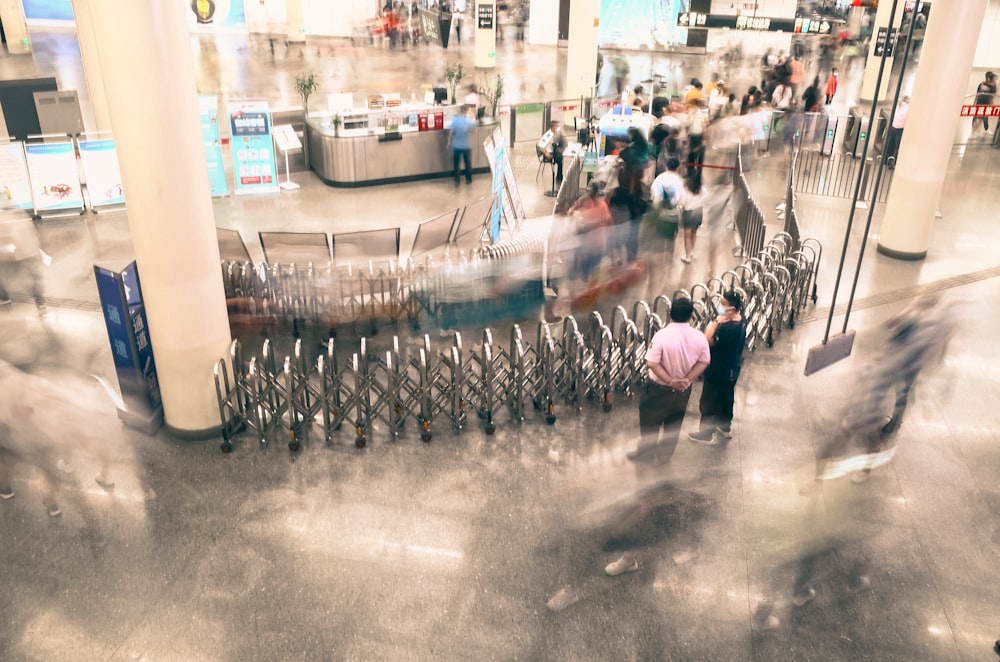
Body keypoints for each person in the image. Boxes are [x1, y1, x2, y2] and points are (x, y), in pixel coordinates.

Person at [626, 296, 710, 464]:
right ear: (690, 316)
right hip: (683, 392)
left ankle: (647, 454)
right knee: (673, 424)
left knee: (650, 423)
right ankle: (664, 457)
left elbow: (652, 363)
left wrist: (671, 381)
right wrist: (687, 379)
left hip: (658, 390)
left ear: (670, 314)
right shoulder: (699, 337)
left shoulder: (662, 336)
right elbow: (704, 361)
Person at [688, 290, 745, 445]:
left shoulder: (728, 328)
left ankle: (706, 434)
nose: (720, 306)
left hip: (719, 370)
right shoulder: (740, 320)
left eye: (724, 304)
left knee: (709, 401)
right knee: (726, 398)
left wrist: (716, 322)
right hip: (732, 369)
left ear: (732, 310)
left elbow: (708, 339)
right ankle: (725, 427)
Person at [678, 169, 709, 264]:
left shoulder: (686, 190)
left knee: (687, 236)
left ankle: (687, 256)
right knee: (694, 233)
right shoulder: (702, 189)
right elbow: (706, 198)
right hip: (698, 212)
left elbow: (682, 202)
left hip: (688, 213)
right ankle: (692, 252)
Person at [447, 104, 475, 185]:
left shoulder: (454, 120)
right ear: (466, 111)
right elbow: (472, 130)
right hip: (466, 145)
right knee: (467, 163)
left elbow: (451, 132)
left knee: (456, 163)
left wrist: (449, 142)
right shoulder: (469, 121)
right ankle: (468, 180)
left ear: (460, 111)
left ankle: (457, 180)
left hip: (456, 146)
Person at [883, 96, 909, 168]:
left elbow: (897, 116)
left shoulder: (901, 107)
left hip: (895, 128)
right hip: (897, 128)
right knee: (894, 146)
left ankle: (888, 161)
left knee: (892, 145)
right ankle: (889, 161)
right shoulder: (903, 107)